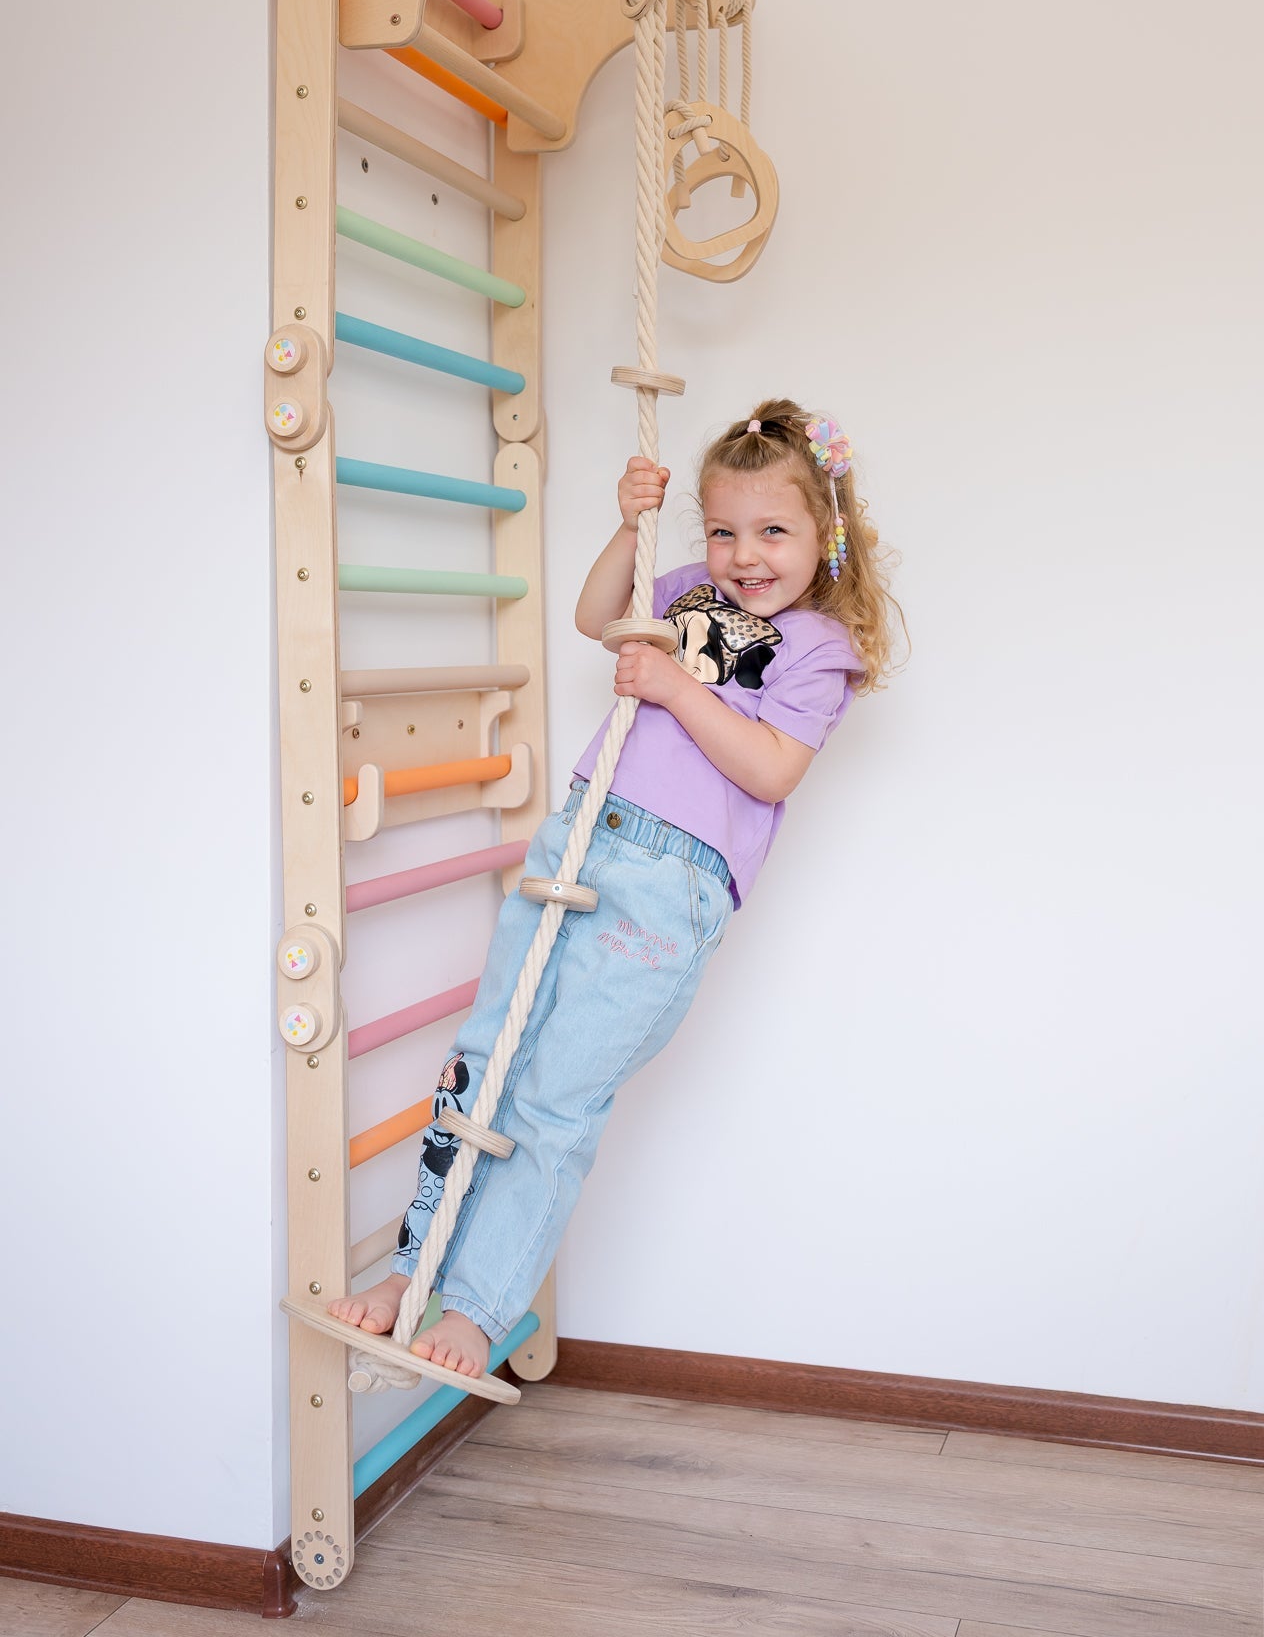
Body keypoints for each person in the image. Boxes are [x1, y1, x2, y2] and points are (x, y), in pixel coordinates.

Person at [327, 397, 903, 1377]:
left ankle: (474, 1303)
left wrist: (679, 687)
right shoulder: (680, 588)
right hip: (581, 836)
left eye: (773, 529)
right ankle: (409, 1270)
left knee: (553, 1097)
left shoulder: (817, 648)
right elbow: (600, 614)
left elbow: (769, 769)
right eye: (723, 529)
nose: (743, 554)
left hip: (667, 887)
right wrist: (631, 524)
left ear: (826, 534)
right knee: (481, 1066)